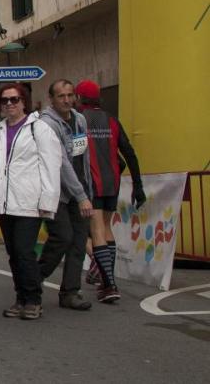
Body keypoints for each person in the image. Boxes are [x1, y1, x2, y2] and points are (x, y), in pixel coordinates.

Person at [0, 83, 62, 321]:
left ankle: (33, 300)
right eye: (5, 100)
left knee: (24, 252)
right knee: (13, 253)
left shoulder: (39, 128)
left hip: (29, 203)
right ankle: (20, 298)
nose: (10, 104)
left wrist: (47, 201)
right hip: (5, 203)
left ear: (24, 102)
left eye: (15, 99)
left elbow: (51, 166)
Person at [76, 80, 144, 303]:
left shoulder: (79, 120)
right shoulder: (112, 120)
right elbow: (129, 153)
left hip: (91, 183)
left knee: (95, 230)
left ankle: (109, 285)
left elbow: (75, 154)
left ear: (79, 97)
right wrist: (138, 186)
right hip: (112, 183)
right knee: (106, 228)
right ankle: (108, 281)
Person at [38, 79, 94, 311]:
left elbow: (82, 156)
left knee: (79, 242)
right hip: (57, 192)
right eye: (61, 96)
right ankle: (33, 278)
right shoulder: (46, 124)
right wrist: (81, 195)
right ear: (51, 99)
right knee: (62, 237)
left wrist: (86, 188)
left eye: (70, 95)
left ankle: (70, 292)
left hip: (80, 188)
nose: (66, 100)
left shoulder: (79, 119)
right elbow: (61, 162)